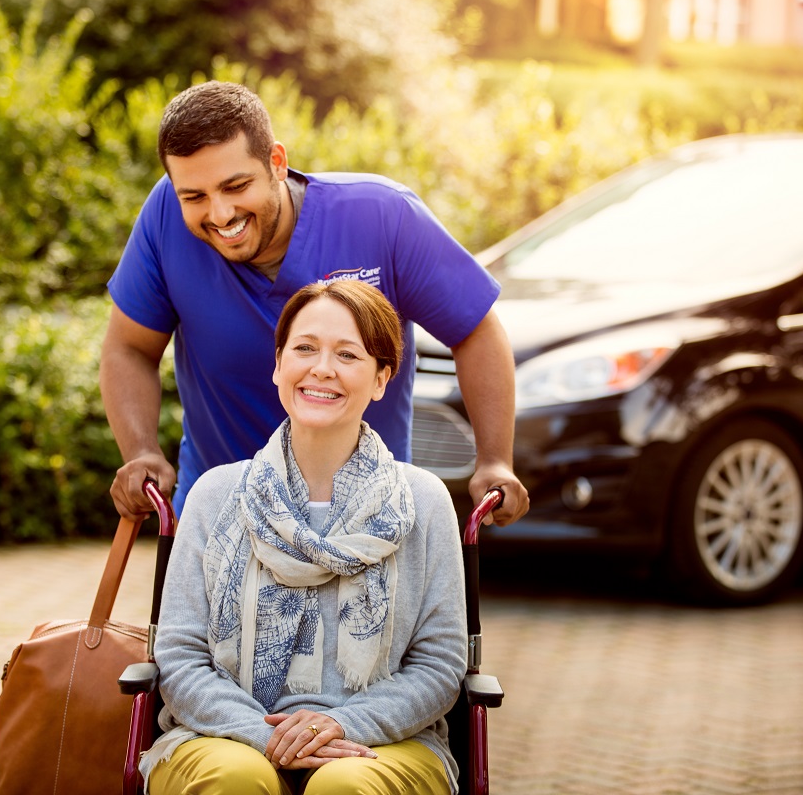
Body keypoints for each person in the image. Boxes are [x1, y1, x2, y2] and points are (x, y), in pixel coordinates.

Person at [101, 80, 529, 526]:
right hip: (223, 522)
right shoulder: (165, 216)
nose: (220, 213)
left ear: (277, 162)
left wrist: (495, 459)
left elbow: (475, 330)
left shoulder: (382, 215)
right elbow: (129, 348)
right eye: (195, 196)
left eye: (236, 186)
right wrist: (142, 453)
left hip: (366, 521)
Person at [141, 279, 466, 795]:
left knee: (343, 787)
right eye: (305, 348)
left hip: (379, 743)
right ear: (278, 365)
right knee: (236, 778)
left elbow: (441, 663)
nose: (322, 369)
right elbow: (179, 655)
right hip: (224, 735)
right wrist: (263, 737)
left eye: (347, 354)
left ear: (382, 379)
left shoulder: (422, 502)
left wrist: (342, 725)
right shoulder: (216, 494)